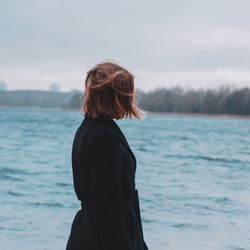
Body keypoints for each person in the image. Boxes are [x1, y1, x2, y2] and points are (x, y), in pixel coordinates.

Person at [66, 61, 149, 250]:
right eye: (128, 94)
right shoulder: (105, 138)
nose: (131, 99)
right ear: (116, 96)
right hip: (103, 239)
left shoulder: (87, 129)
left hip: (88, 233)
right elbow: (108, 209)